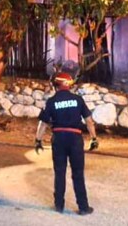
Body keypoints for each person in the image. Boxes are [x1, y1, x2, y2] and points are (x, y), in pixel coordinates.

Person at [34, 72, 98, 215]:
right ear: (69, 85)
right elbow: (89, 121)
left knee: (60, 172)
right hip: (75, 139)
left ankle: (59, 206)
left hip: (59, 138)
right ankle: (83, 207)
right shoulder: (78, 100)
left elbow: (43, 123)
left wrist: (38, 140)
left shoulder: (51, 101)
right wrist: (94, 138)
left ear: (55, 85)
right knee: (78, 174)